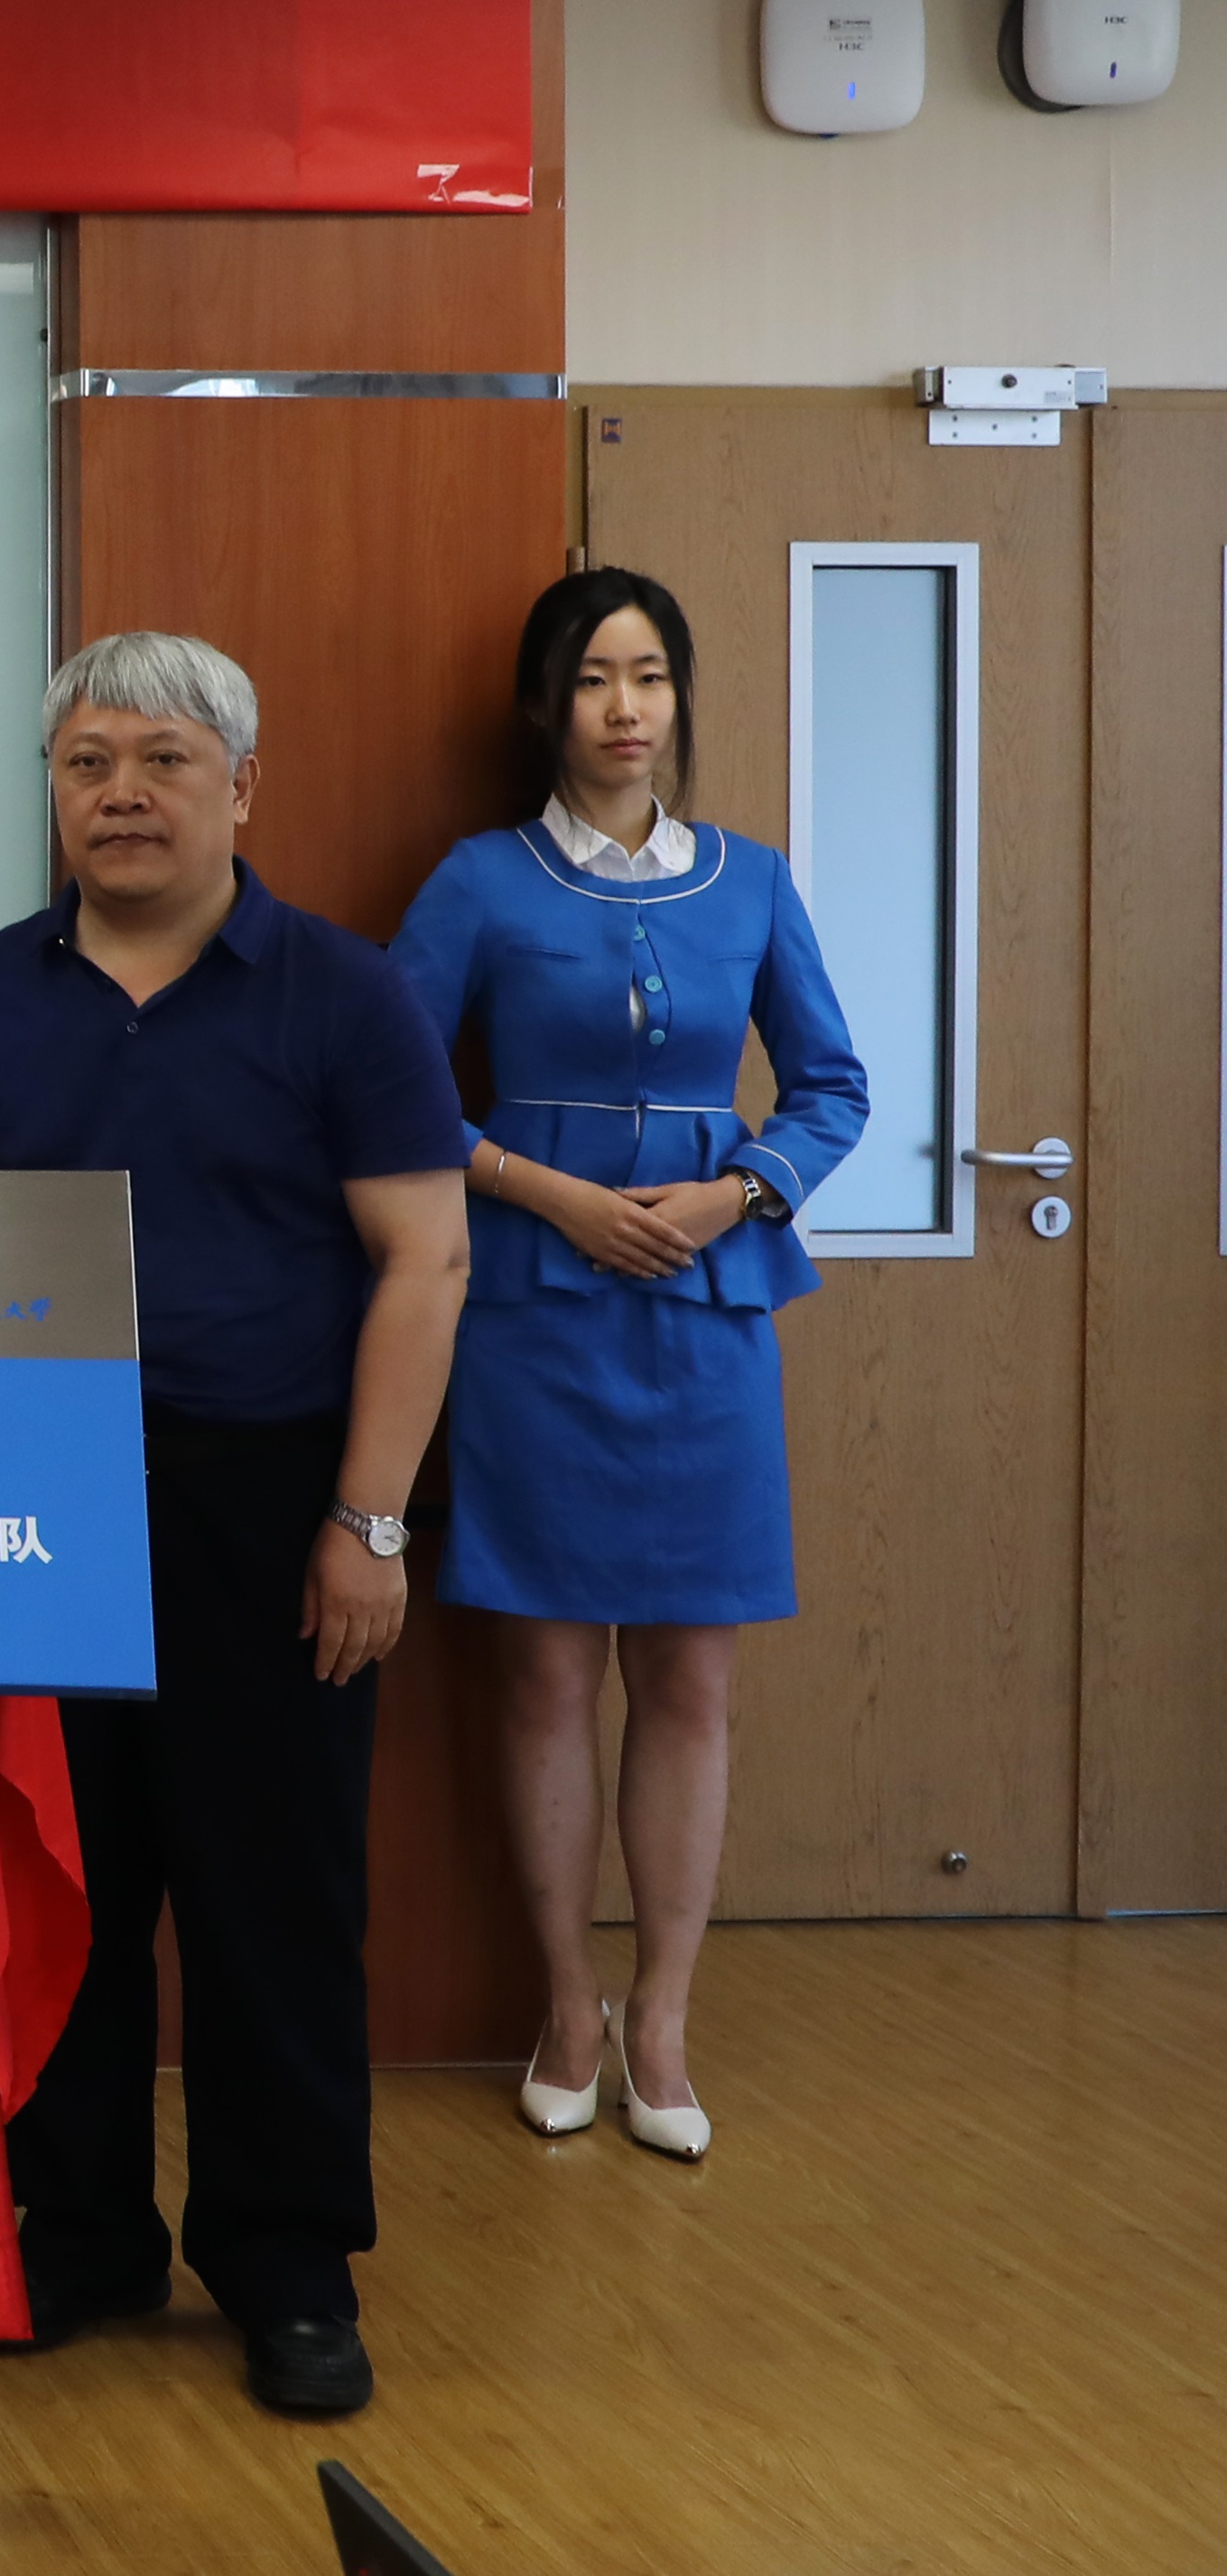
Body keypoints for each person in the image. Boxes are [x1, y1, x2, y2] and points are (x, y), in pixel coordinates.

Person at [0, 631, 470, 2421]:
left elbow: (424, 1258)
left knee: (270, 1894)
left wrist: (366, 1521)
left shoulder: (340, 993)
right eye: (86, 763)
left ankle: (283, 2259)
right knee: (58, 1889)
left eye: (161, 759)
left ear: (240, 783)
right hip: (38, 1502)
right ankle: (75, 2234)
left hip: (273, 1498)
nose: (121, 794)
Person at [386, 568, 868, 2167]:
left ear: (677, 697)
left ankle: (661, 2016)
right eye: (592, 676)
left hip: (708, 1316)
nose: (623, 705)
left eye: (648, 674)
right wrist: (549, 1193)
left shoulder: (752, 880)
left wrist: (736, 1191)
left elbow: (833, 1087)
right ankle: (562, 2004)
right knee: (540, 1675)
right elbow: (388, 1085)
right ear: (546, 702)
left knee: (688, 1676)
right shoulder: (478, 880)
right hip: (532, 1309)